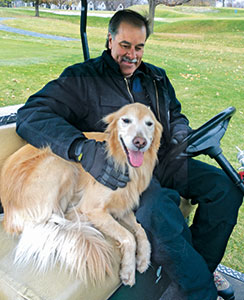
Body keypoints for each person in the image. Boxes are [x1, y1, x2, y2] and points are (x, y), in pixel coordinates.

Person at [16, 9, 242, 300]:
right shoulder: (83, 78)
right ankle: (200, 292)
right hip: (120, 174)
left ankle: (196, 270)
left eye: (139, 47)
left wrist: (181, 133)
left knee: (225, 187)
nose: (132, 55)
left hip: (163, 160)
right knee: (158, 207)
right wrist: (82, 148)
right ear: (110, 40)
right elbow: (31, 115)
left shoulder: (156, 78)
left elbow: (175, 116)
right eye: (125, 46)